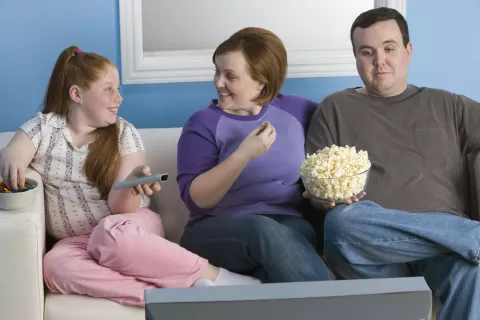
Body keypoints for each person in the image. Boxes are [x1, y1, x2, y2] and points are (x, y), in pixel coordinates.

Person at [0, 46, 261, 307]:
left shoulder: (124, 133)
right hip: (77, 242)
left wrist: (132, 184)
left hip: (128, 227)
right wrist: (12, 154)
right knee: (54, 266)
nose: (119, 98)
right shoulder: (45, 128)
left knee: (109, 233)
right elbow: (14, 151)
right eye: (109, 89)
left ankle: (218, 278)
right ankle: (168, 298)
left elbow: (120, 209)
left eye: (119, 89)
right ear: (77, 94)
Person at [306, 7, 480, 320]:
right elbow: (315, 185)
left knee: (473, 271)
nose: (379, 61)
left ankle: (468, 242)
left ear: (407, 51)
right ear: (356, 57)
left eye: (389, 49)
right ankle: (473, 238)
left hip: (446, 242)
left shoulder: (448, 104)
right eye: (367, 52)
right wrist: (322, 197)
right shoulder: (334, 108)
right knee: (341, 224)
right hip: (370, 248)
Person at [177, 27, 333, 283]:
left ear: (261, 82)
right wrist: (243, 155)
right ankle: (340, 306)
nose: (218, 82)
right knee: (263, 230)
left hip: (287, 224)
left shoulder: (297, 111)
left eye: (230, 76)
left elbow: (339, 134)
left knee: (302, 235)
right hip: (214, 229)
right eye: (217, 71)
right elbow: (197, 201)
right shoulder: (202, 123)